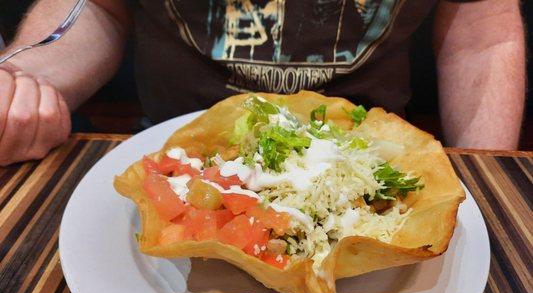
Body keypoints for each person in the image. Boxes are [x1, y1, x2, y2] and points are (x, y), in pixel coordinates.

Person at [0, 0, 525, 166]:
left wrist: (486, 174)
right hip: (166, 155)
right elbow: (97, 6)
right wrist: (27, 83)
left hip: (373, 165)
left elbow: (479, 29)